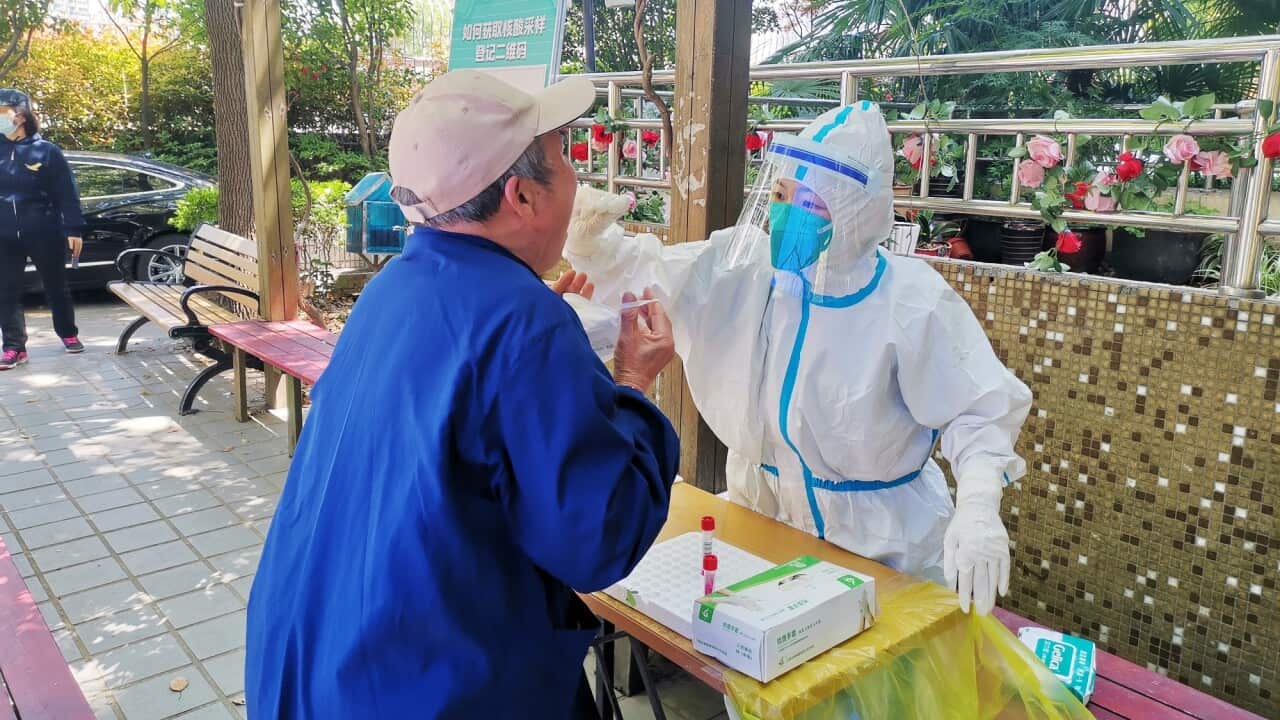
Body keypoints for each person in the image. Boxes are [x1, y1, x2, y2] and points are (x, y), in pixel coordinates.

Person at [245, 70, 681, 719]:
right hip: (431, 685)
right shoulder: (524, 323)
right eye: (564, 159)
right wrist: (633, 382)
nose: (576, 178)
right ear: (522, 196)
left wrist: (548, 345)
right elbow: (600, 539)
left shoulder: (392, 288)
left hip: (321, 657)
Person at [564, 102, 1033, 616]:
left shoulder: (910, 299)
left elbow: (977, 409)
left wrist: (979, 505)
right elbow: (656, 276)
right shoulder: (745, 269)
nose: (786, 214)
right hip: (763, 524)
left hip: (882, 547)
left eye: (811, 203)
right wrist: (595, 249)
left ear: (856, 214)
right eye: (781, 195)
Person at [0, 89, 85, 369]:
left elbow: (67, 193)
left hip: (44, 230)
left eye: (1, 112)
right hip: (4, 234)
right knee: (6, 291)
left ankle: (68, 333)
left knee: (56, 286)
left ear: (20, 115)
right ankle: (14, 347)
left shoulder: (47, 151)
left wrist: (74, 228)